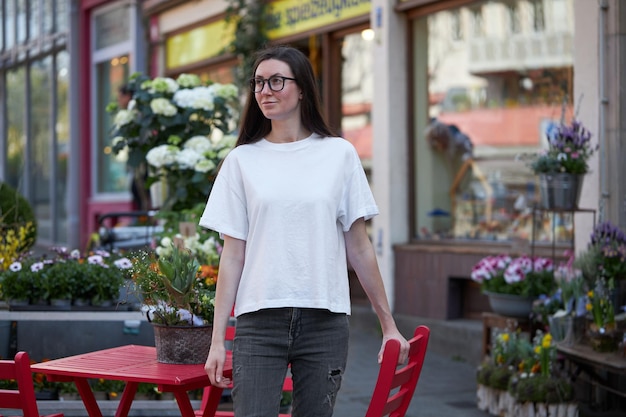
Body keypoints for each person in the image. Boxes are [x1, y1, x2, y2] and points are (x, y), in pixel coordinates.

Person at [199, 45, 409, 417]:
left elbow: (359, 247)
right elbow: (232, 255)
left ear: (303, 89)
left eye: (276, 81)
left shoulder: (339, 154)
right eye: (258, 83)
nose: (265, 90)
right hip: (259, 322)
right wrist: (217, 342)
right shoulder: (241, 161)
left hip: (325, 320)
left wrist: (388, 325)